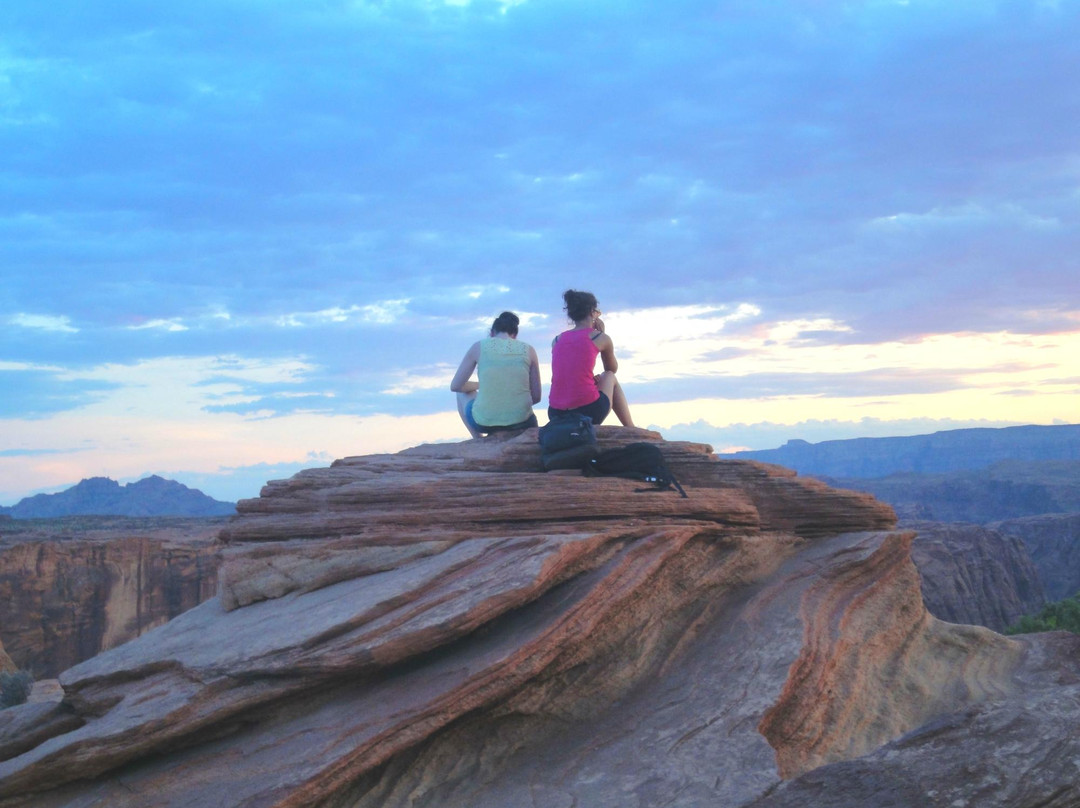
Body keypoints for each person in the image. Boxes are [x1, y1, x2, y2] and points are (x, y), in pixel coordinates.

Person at [547, 289, 634, 427]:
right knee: (609, 376)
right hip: (588, 411)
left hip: (556, 413)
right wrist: (601, 334)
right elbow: (611, 369)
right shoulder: (600, 337)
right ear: (592, 312)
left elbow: (572, 369)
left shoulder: (557, 340)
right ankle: (631, 428)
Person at [450, 311, 542, 438]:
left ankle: (478, 440)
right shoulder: (529, 350)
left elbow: (455, 386)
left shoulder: (478, 347)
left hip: (484, 423)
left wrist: (482, 385)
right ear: (515, 335)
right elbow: (536, 397)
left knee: (460, 394)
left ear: (492, 333)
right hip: (524, 422)